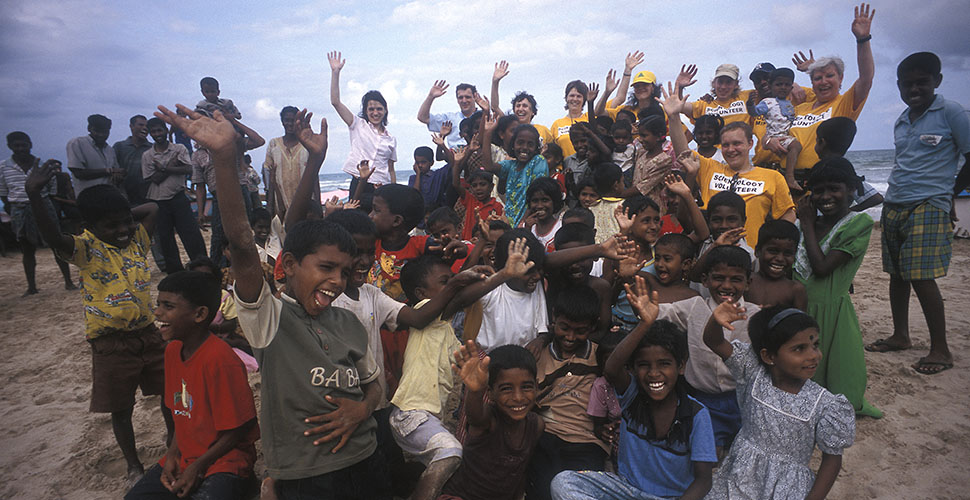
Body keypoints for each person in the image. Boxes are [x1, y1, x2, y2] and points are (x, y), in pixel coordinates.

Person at [154, 104, 392, 499]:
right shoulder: (271, 319)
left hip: (366, 457)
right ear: (290, 265)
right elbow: (244, 246)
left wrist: (363, 410)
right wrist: (224, 159)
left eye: (345, 272)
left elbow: (372, 386)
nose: (337, 281)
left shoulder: (349, 324)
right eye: (327, 268)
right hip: (307, 474)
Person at [24, 166, 173, 488]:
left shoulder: (137, 241)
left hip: (148, 333)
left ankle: (174, 442)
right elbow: (52, 237)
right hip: (110, 343)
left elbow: (153, 208)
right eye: (112, 224)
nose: (123, 229)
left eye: (126, 222)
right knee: (121, 408)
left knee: (169, 394)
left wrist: (117, 213)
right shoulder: (85, 249)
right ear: (88, 228)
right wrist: (35, 195)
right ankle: (133, 464)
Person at [551, 277, 716, 500]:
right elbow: (611, 370)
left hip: (672, 497)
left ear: (681, 366)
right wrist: (644, 324)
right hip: (626, 490)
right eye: (644, 365)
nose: (654, 373)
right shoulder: (631, 396)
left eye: (664, 364)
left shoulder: (696, 414)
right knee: (563, 482)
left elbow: (704, 479)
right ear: (633, 368)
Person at [866, 51, 970, 375]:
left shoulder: (953, 113)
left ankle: (941, 349)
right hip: (895, 203)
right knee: (897, 274)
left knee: (921, 276)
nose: (914, 89)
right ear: (898, 86)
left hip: (930, 203)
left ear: (936, 81)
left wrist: (951, 196)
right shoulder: (901, 120)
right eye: (907, 84)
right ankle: (901, 335)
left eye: (921, 82)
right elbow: (906, 164)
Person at [124, 271, 258, 500]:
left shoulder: (220, 360)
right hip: (186, 456)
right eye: (158, 304)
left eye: (168, 306)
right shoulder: (173, 351)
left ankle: (247, 486)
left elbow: (239, 429)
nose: (157, 312)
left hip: (225, 461)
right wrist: (172, 456)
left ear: (199, 314)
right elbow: (182, 416)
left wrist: (198, 467)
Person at [703, 303, 855, 500]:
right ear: (768, 356)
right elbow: (713, 341)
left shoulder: (826, 405)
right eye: (799, 349)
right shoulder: (752, 372)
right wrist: (716, 322)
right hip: (740, 476)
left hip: (788, 488)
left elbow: (832, 459)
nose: (814, 355)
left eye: (815, 345)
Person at [391, 256, 489, 500]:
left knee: (443, 467)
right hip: (411, 414)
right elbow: (460, 296)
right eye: (446, 282)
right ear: (421, 292)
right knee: (451, 451)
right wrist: (505, 275)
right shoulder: (424, 310)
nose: (452, 286)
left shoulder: (443, 328)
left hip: (425, 418)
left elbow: (466, 344)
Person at [795, 157, 880, 418]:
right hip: (798, 307)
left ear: (852, 188)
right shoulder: (803, 225)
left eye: (834, 188)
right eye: (818, 190)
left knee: (835, 372)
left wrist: (807, 223)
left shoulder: (858, 224)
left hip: (831, 312)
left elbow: (821, 268)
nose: (825, 196)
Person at [664, 82, 796, 248]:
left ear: (750, 143)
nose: (731, 149)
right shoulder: (710, 168)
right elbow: (683, 152)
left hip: (751, 256)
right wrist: (674, 117)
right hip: (711, 251)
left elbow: (788, 215)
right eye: (725, 145)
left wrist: (771, 247)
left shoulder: (772, 177)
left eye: (737, 144)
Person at [657, 245, 758, 453]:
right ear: (705, 280)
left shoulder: (756, 316)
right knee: (709, 453)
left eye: (736, 279)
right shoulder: (695, 306)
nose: (726, 285)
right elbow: (662, 313)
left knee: (743, 453)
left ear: (748, 283)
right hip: (704, 400)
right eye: (719, 278)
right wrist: (645, 309)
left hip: (744, 401)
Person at [527, 285, 607, 500]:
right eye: (564, 327)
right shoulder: (537, 354)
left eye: (580, 331)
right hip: (545, 434)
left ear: (592, 327)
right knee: (542, 489)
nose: (570, 337)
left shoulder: (600, 357)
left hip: (586, 441)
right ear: (553, 319)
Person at [441, 342, 545, 500]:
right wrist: (475, 391)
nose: (518, 397)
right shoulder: (489, 420)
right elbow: (475, 417)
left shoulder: (536, 425)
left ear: (537, 387)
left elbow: (520, 473)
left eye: (526, 387)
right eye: (506, 389)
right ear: (490, 393)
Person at [782, 4, 875, 177]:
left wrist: (863, 40)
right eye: (817, 78)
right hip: (786, 179)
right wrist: (792, 83)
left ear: (841, 79)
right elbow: (774, 92)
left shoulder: (844, 104)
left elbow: (866, 78)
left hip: (818, 180)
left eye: (829, 76)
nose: (823, 82)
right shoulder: (800, 107)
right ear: (812, 82)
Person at [0, 132, 75, 295]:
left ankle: (68, 281)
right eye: (16, 145)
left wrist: (43, 203)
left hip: (42, 205)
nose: (20, 149)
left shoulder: (42, 166)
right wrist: (13, 207)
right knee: (27, 248)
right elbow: (4, 192)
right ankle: (32, 287)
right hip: (19, 208)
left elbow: (52, 189)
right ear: (10, 146)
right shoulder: (4, 167)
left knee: (56, 243)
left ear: (30, 145)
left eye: (23, 145)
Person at [142, 117, 207, 273]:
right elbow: (154, 179)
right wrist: (171, 166)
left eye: (160, 130)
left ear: (165, 130)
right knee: (166, 239)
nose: (158, 134)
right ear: (150, 134)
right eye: (154, 131)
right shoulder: (147, 155)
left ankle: (202, 268)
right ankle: (175, 272)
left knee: (192, 236)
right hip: (158, 201)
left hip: (178, 197)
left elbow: (188, 169)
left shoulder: (179, 149)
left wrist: (163, 168)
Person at [329, 51, 398, 195]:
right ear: (366, 111)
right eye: (371, 109)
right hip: (359, 182)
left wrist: (394, 191)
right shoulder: (357, 125)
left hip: (381, 186)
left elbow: (390, 169)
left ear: (385, 111)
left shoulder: (391, 139)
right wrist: (335, 72)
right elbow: (335, 102)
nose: (375, 113)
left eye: (379, 109)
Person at [747, 68, 804, 193]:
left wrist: (809, 70)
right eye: (779, 84)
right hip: (765, 162)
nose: (782, 87)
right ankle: (790, 178)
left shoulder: (793, 102)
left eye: (787, 84)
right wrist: (749, 104)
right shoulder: (766, 103)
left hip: (783, 159)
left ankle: (789, 176)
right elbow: (754, 112)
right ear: (771, 85)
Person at [481, 121, 549, 227]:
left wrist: (521, 224)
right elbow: (488, 166)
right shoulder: (510, 165)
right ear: (513, 144)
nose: (525, 147)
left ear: (536, 148)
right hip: (509, 224)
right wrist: (487, 133)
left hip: (528, 224)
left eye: (530, 144)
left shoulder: (538, 161)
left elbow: (537, 194)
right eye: (520, 142)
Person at [814, 117, 884, 212]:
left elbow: (876, 198)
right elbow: (875, 198)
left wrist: (846, 213)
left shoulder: (836, 168)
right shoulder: (844, 168)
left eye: (816, 141)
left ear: (822, 142)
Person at [489, 60, 555, 145]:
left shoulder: (543, 130)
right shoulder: (509, 128)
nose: (520, 109)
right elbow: (495, 107)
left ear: (533, 112)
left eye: (525, 106)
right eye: (518, 106)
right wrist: (495, 83)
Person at [747, 220, 808, 310]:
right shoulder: (746, 282)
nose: (780, 258)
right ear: (758, 251)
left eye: (787, 253)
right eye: (773, 251)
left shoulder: (795, 290)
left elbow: (799, 322)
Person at [263, 106, 310, 217]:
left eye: (293, 120)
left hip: (304, 203)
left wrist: (316, 202)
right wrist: (270, 204)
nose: (290, 124)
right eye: (286, 120)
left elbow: (313, 176)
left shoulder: (306, 145)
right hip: (280, 205)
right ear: (282, 122)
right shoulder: (273, 144)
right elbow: (269, 176)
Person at [66, 114, 125, 193]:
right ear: (89, 128)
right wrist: (108, 171)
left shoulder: (110, 150)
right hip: (88, 197)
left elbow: (116, 171)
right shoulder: (77, 143)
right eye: (97, 131)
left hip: (109, 196)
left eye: (105, 132)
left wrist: (118, 175)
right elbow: (78, 173)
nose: (101, 135)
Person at [418, 80, 479, 148]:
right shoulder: (449, 118)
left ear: (475, 96)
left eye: (467, 97)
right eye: (460, 97)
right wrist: (430, 97)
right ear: (457, 99)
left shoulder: (483, 117)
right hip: (453, 156)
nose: (464, 101)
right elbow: (423, 118)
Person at [451, 164, 503, 241]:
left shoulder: (498, 207)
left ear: (491, 187)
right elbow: (456, 184)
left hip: (486, 245)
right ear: (471, 188)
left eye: (482, 184)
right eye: (474, 185)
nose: (478, 188)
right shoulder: (470, 201)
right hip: (468, 244)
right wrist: (457, 162)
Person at [113, 115, 153, 204]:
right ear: (131, 126)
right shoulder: (119, 146)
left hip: (146, 196)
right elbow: (113, 167)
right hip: (123, 195)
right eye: (141, 125)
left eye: (147, 126)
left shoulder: (153, 148)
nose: (144, 128)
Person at [521, 177, 564, 251]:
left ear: (554, 202)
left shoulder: (561, 228)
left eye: (545, 200)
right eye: (535, 201)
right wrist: (527, 231)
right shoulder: (524, 227)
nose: (540, 206)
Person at [550, 80, 592, 157]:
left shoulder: (590, 118)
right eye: (572, 95)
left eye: (579, 96)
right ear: (566, 98)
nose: (575, 99)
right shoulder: (557, 124)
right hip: (567, 167)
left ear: (584, 99)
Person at [408, 145, 451, 215]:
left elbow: (452, 163)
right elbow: (415, 195)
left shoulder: (438, 175)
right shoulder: (413, 178)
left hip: (436, 214)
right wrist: (418, 175)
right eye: (417, 162)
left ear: (431, 163)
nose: (420, 165)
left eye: (423, 162)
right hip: (420, 215)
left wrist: (441, 145)